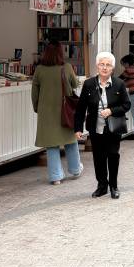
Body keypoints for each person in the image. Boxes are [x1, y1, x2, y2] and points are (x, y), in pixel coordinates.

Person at [75, 52, 131, 199]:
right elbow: (81, 108)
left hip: (113, 128)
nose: (105, 68)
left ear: (112, 68)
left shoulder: (119, 83)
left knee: (113, 156)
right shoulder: (89, 84)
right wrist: (78, 128)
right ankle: (102, 186)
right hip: (95, 128)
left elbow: (126, 105)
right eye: (102, 64)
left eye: (108, 65)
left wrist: (111, 110)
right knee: (98, 158)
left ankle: (114, 186)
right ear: (97, 66)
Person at [31, 42, 83, 185]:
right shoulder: (66, 67)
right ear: (61, 53)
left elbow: (34, 92)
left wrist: (37, 107)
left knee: (51, 144)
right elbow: (75, 84)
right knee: (70, 140)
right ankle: (75, 169)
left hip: (46, 112)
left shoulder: (40, 69)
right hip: (65, 110)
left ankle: (56, 177)